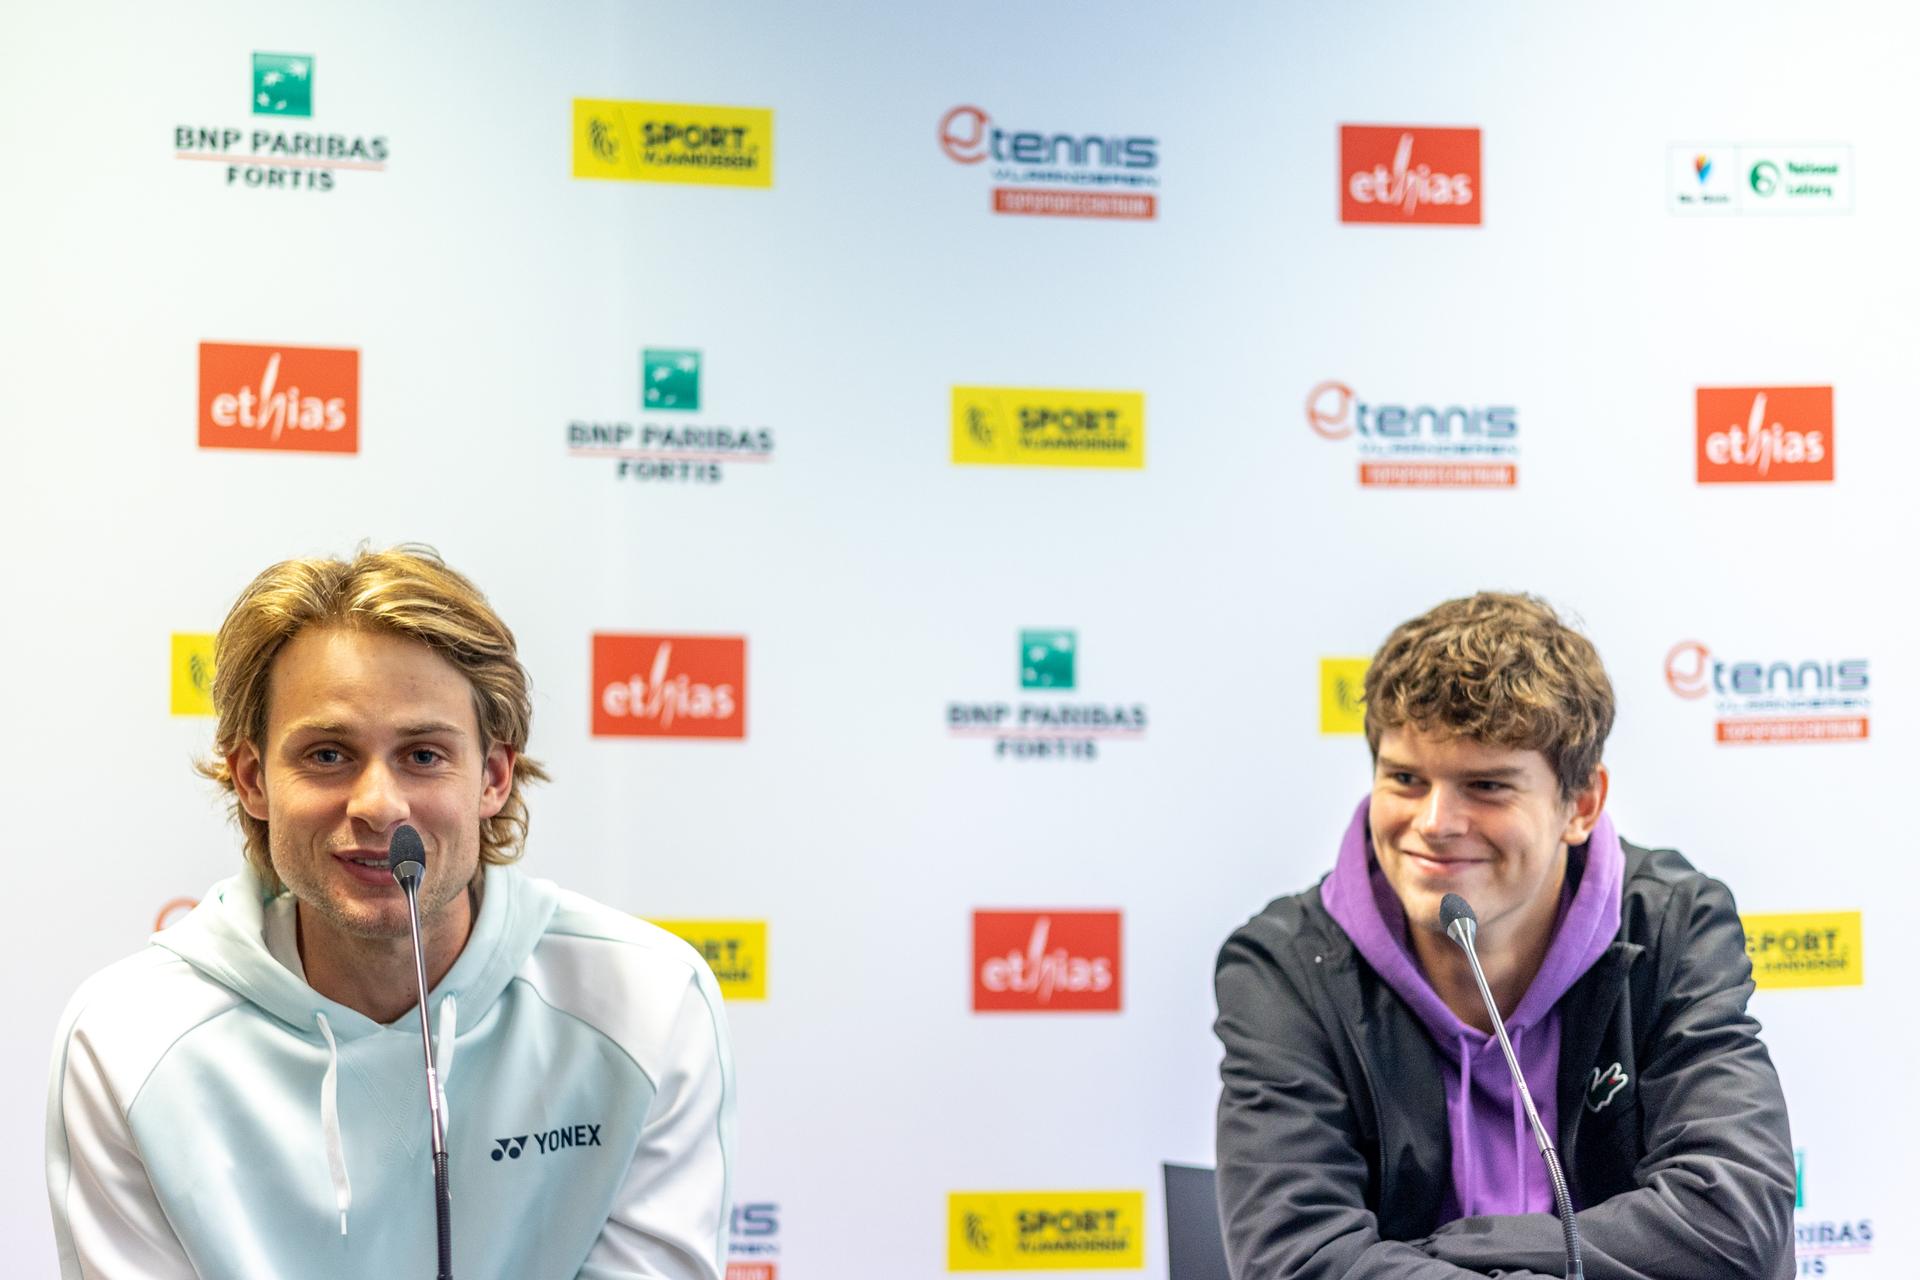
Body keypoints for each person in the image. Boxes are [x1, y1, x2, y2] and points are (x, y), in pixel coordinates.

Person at [47, 546, 735, 1279]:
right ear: (252, 779)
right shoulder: (128, 1038)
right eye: (327, 755)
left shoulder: (643, 1004)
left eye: (424, 755)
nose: (378, 806)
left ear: (493, 777)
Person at [1214, 592, 1794, 1279]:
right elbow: (1296, 1259)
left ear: (1581, 805)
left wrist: (1458, 1248)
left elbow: (1737, 1222)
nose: (1435, 822)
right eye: (1405, 779)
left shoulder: (1671, 924)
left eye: (1486, 785)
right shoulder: (1285, 965)